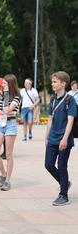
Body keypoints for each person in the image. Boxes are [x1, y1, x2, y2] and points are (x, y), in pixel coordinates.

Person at [45, 71, 76, 206]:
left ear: (63, 83)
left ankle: (63, 195)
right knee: (48, 164)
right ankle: (65, 183)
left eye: (55, 81)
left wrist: (64, 139)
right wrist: (46, 136)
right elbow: (50, 119)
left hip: (64, 139)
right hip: (52, 138)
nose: (53, 84)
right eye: (52, 81)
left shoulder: (70, 100)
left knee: (62, 166)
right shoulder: (52, 99)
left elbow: (70, 121)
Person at [0, 74, 21, 191]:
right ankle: (3, 174)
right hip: (0, 124)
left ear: (10, 84)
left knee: (8, 155)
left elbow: (8, 109)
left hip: (10, 125)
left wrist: (6, 94)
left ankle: (7, 181)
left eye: (4, 83)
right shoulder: (2, 96)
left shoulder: (17, 97)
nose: (1, 85)